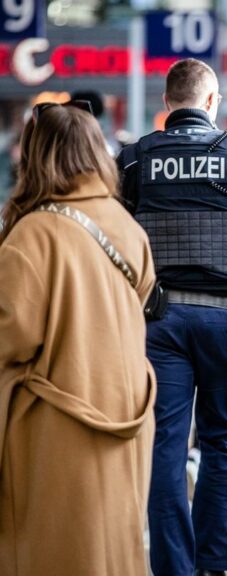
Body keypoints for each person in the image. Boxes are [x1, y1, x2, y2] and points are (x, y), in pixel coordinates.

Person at [117, 58, 227, 576]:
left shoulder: (136, 159)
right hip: (226, 323)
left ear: (166, 104)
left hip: (160, 322)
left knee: (165, 447)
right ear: (212, 102)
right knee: (221, 443)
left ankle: (173, 567)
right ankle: (213, 565)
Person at [0, 102, 156, 574]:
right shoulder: (126, 225)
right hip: (126, 416)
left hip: (56, 428)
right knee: (110, 549)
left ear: (36, 157)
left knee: (55, 550)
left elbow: (13, 334)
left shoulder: (33, 234)